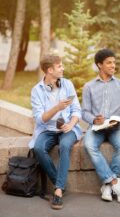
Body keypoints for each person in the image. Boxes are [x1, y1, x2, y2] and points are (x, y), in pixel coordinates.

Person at [29, 54, 82, 210]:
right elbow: (40, 119)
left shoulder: (67, 84)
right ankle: (59, 181)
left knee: (65, 146)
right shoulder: (37, 90)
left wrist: (71, 124)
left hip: (68, 129)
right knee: (38, 148)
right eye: (60, 66)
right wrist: (57, 107)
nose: (63, 68)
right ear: (50, 70)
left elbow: (77, 110)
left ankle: (58, 191)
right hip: (47, 129)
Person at [82, 48, 120, 203]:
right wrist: (93, 119)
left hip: (116, 128)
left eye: (114, 62)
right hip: (97, 128)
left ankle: (109, 185)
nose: (113, 65)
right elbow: (84, 112)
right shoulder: (89, 86)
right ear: (99, 65)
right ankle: (114, 181)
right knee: (89, 145)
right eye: (109, 62)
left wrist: (119, 120)